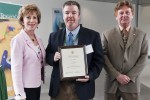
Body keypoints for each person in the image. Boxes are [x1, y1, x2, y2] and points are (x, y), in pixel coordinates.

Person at [46, 1, 104, 100]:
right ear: (63, 15)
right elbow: (47, 55)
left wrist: (90, 75)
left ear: (79, 15)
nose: (70, 15)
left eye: (73, 12)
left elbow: (99, 61)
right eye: (67, 12)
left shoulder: (93, 36)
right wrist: (53, 57)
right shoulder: (54, 36)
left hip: (83, 88)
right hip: (59, 88)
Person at [101, 0, 148, 100]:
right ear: (116, 16)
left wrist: (130, 76)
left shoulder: (142, 35)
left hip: (131, 84)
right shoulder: (107, 34)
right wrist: (117, 75)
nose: (124, 15)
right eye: (121, 13)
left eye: (128, 12)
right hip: (112, 83)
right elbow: (104, 56)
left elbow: (143, 56)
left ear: (132, 15)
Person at [11, 4, 45, 100]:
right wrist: (20, 94)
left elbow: (40, 60)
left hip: (37, 85)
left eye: (35, 17)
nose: (32, 20)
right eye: (28, 17)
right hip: (25, 88)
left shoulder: (39, 39)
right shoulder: (18, 40)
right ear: (22, 20)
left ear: (38, 21)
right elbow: (16, 70)